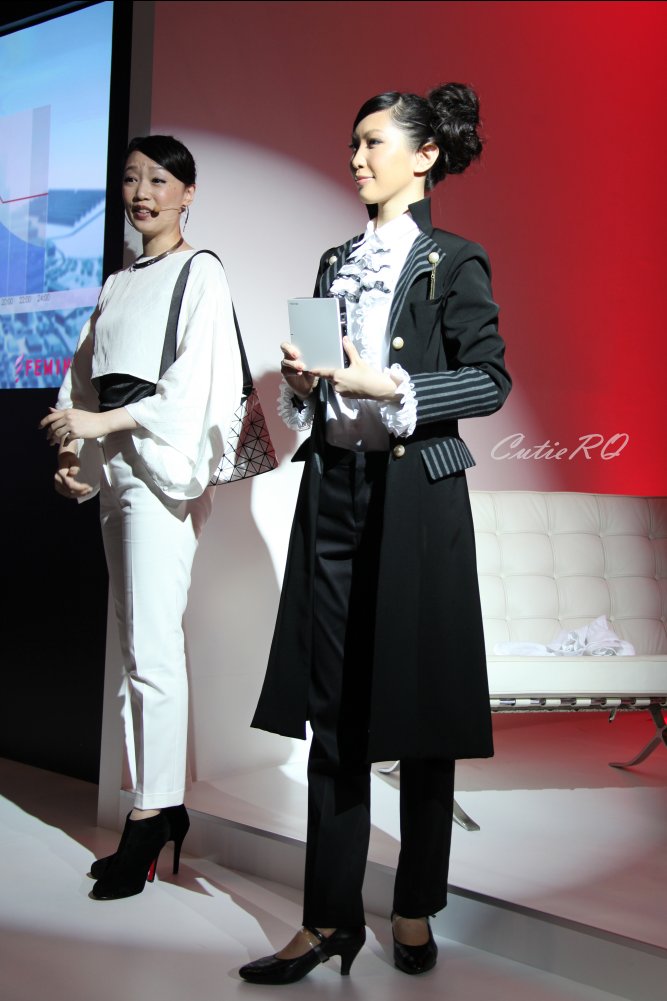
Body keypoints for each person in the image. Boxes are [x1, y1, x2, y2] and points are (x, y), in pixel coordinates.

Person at [239, 83, 511, 983]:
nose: (355, 158)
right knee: (333, 709)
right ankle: (327, 919)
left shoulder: (452, 259)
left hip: (417, 500)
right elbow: (327, 384)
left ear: (424, 156)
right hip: (335, 491)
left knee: (421, 711)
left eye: (372, 143)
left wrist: (393, 387)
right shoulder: (333, 260)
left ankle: (413, 903)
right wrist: (307, 383)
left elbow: (488, 380)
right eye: (352, 143)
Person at [40, 135, 243, 900]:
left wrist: (103, 423)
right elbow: (82, 379)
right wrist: (76, 452)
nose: (140, 193)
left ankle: (151, 814)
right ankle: (152, 804)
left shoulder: (201, 271)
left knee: (152, 645)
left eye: (158, 180)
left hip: (160, 467)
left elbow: (196, 385)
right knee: (133, 644)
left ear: (188, 193)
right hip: (120, 464)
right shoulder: (117, 283)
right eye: (130, 179)